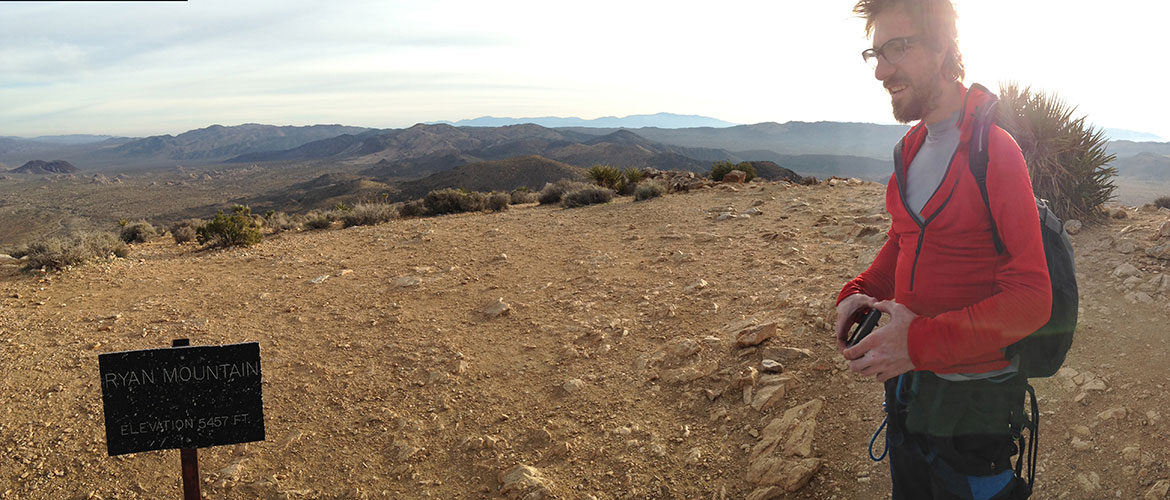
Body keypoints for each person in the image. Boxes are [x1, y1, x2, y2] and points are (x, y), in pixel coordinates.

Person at [833, 0, 1053, 498]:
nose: (882, 70)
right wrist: (862, 289)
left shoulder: (994, 150)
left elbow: (1033, 299)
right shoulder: (909, 150)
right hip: (909, 392)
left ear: (942, 47)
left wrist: (916, 343)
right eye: (875, 53)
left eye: (897, 48)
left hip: (972, 408)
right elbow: (902, 239)